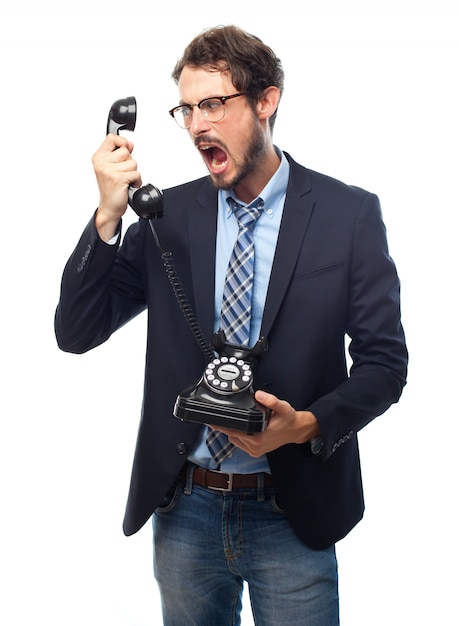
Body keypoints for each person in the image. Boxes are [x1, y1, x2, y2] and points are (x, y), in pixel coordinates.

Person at [55, 25, 408, 626]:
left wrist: (307, 425)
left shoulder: (349, 214)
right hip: (185, 507)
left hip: (292, 510)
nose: (196, 126)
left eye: (213, 104)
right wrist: (107, 216)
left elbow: (384, 365)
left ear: (266, 101)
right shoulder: (167, 220)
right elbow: (76, 330)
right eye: (186, 110)